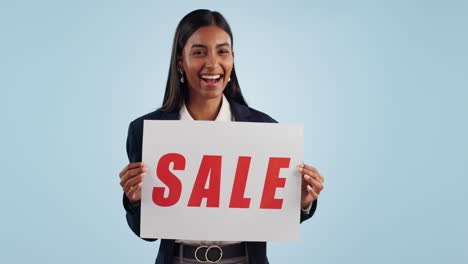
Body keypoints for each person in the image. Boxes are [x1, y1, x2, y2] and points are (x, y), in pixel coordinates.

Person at [118, 9, 325, 264]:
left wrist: (301, 202)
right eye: (199, 52)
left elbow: (276, 219)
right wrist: (134, 201)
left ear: (233, 59)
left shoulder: (266, 130)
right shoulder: (146, 131)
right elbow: (145, 232)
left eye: (222, 51)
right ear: (180, 61)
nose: (212, 64)